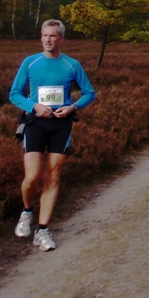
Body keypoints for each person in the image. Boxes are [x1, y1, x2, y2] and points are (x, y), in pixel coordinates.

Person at [9, 19, 96, 251]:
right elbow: (14, 94)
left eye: (53, 36)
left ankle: (43, 230)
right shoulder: (30, 63)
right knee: (33, 177)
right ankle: (27, 212)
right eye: (45, 35)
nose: (48, 39)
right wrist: (33, 106)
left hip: (61, 125)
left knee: (53, 176)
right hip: (35, 123)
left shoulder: (71, 65)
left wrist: (73, 107)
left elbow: (89, 92)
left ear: (61, 39)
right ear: (41, 38)